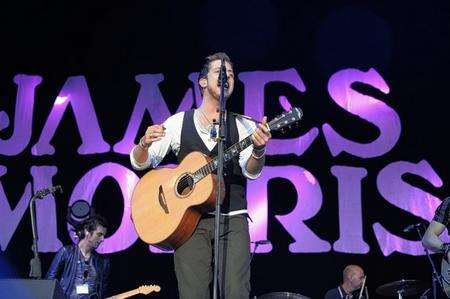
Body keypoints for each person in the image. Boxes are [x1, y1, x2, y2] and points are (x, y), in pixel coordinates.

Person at [130, 52, 271, 298]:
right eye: (220, 72)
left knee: (237, 292)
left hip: (232, 218)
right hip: (188, 221)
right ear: (203, 81)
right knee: (192, 294)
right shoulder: (178, 122)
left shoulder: (243, 125)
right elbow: (142, 162)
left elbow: (251, 171)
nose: (227, 77)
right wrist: (143, 144)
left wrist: (258, 150)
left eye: (230, 74)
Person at [46, 215, 110, 299]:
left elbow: (103, 289)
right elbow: (49, 281)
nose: (102, 239)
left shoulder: (102, 262)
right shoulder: (67, 252)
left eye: (103, 236)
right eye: (99, 234)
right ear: (87, 232)